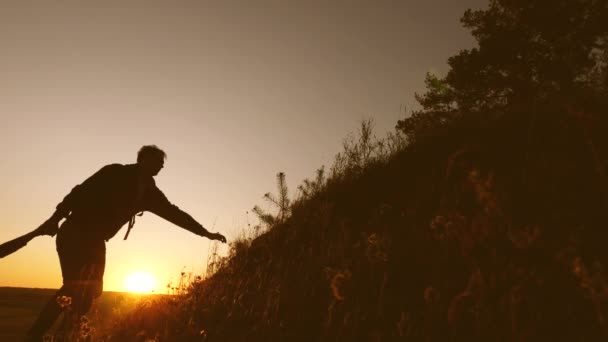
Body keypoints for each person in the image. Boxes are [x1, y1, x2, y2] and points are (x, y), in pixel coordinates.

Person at [26, 145, 226, 341]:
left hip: (95, 240)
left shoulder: (149, 193)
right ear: (143, 159)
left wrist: (205, 233)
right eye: (158, 161)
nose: (162, 167)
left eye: (162, 164)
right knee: (72, 289)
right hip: (75, 232)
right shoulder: (114, 172)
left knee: (89, 293)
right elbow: (79, 192)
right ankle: (34, 335)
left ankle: (63, 336)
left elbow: (175, 214)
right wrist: (55, 218)